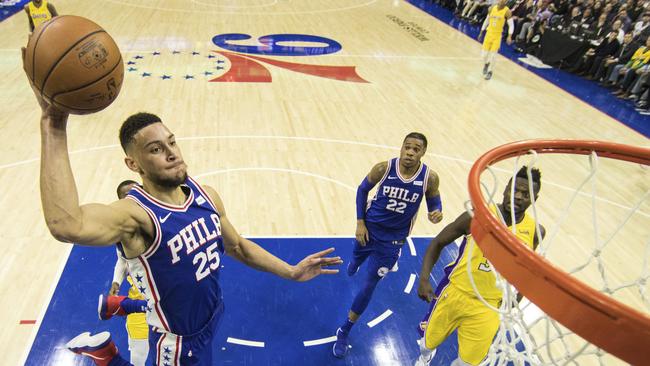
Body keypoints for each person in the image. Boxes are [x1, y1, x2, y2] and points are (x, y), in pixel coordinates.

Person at [27, 79, 343, 366]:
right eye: (156, 149)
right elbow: (66, 224)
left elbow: (237, 247)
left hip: (212, 317)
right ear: (133, 163)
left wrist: (291, 271)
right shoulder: (136, 216)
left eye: (172, 142)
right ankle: (107, 357)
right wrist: (54, 124)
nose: (172, 153)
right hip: (177, 343)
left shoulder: (206, 195)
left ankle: (106, 354)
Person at [414, 167, 546, 366]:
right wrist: (424, 278)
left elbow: (529, 269)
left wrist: (517, 297)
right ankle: (425, 357)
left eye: (525, 194)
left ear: (535, 198)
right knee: (427, 342)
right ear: (505, 189)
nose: (517, 196)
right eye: (514, 190)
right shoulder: (477, 216)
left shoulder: (535, 231)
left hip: (489, 305)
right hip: (455, 292)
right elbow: (438, 242)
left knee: (469, 363)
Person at [332, 132, 443, 358]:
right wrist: (360, 222)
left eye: (416, 149)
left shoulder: (429, 178)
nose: (410, 153)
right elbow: (362, 190)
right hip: (369, 229)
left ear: (423, 153)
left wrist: (436, 212)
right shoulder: (384, 169)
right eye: (407, 147)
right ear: (401, 147)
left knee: (369, 285)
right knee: (356, 258)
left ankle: (344, 330)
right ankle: (355, 261)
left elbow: (434, 199)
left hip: (392, 241)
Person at [97, 180, 149, 366]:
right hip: (139, 299)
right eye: (125, 198)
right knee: (139, 350)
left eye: (134, 195)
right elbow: (122, 260)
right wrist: (116, 282)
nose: (131, 200)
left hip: (166, 297)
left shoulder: (158, 220)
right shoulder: (123, 231)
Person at [478, 0, 515, 80]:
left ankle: (490, 71)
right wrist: (481, 31)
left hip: (497, 36)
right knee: (484, 55)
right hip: (488, 34)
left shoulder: (507, 12)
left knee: (493, 56)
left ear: (506, 2)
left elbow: (511, 25)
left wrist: (509, 36)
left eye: (504, 1)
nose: (502, 1)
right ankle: (486, 64)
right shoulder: (491, 8)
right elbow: (486, 20)